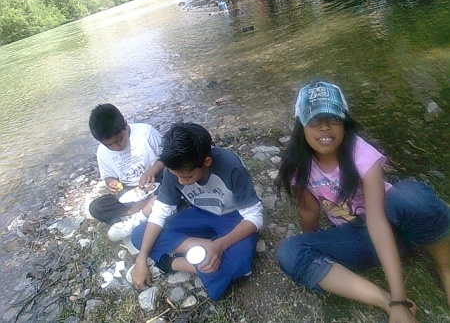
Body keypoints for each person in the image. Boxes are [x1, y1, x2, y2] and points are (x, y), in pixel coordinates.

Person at [275, 81, 450, 322]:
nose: (324, 127)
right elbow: (308, 210)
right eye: (314, 120)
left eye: (333, 119)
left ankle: (446, 267)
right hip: (360, 238)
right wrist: (313, 244)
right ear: (301, 125)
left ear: (345, 123)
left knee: (409, 197)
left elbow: (377, 221)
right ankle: (384, 300)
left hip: (393, 221)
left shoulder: (362, 153)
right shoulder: (299, 164)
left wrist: (402, 296)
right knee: (290, 251)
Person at [129, 122, 264, 300]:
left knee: (241, 263)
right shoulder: (173, 171)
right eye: (176, 176)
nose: (181, 181)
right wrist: (141, 259)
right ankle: (201, 256)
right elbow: (160, 213)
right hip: (200, 214)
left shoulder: (231, 166)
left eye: (187, 177)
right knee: (139, 234)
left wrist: (220, 245)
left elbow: (255, 216)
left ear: (206, 162)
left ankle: (168, 263)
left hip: (234, 218)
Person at [88, 103, 165, 242]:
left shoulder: (145, 133)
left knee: (172, 177)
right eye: (109, 145)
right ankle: (143, 210)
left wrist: (152, 170)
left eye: (119, 140)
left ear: (125, 125)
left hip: (156, 181)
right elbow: (109, 176)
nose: (116, 147)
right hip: (130, 191)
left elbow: (168, 158)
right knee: (96, 207)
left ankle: (138, 215)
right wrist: (111, 183)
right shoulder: (102, 152)